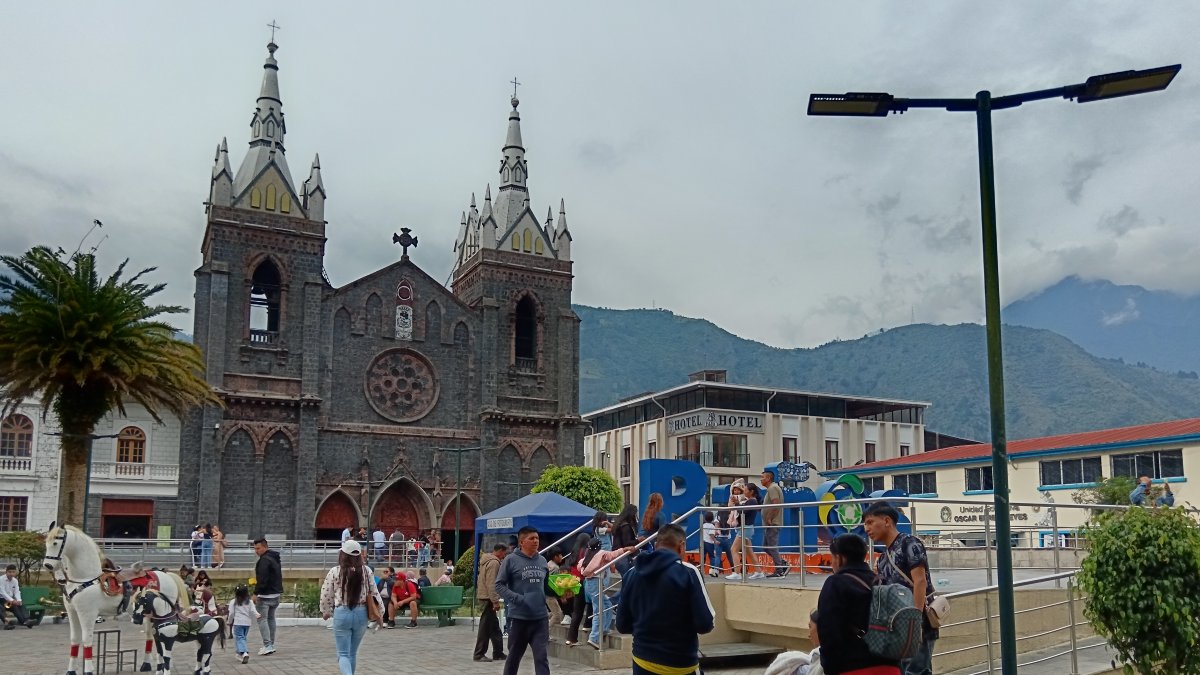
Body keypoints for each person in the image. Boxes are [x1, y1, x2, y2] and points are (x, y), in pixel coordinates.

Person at [616, 523, 715, 675]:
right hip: (681, 666)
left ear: (656, 545)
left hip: (643, 663)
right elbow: (705, 624)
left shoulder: (632, 573)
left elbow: (622, 625)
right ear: (681, 546)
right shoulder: (689, 573)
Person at [864, 502, 935, 675]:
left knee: (917, 670)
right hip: (896, 625)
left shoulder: (909, 544)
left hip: (917, 621)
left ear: (887, 521)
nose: (866, 528)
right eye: (865, 524)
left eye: (870, 522)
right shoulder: (882, 559)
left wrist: (916, 622)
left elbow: (920, 582)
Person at [817, 533, 900, 674]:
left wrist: (829, 667)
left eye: (832, 557)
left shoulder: (836, 583)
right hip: (891, 667)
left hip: (853, 667)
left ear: (840, 558)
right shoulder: (881, 581)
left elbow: (828, 631)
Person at [320, 539, 384, 675]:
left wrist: (325, 611)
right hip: (362, 613)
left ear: (342, 554)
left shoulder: (335, 571)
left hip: (342, 612)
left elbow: (326, 594)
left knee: (343, 654)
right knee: (352, 653)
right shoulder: (367, 571)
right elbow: (375, 593)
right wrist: (381, 613)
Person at [496, 526, 550, 675]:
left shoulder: (543, 561)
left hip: (540, 619)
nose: (535, 541)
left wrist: (563, 594)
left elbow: (546, 588)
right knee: (514, 657)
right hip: (519, 618)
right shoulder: (511, 560)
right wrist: (517, 598)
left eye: (537, 538)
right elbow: (499, 585)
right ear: (521, 542)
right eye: (531, 538)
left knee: (541, 658)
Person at [581, 537, 638, 649]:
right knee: (599, 610)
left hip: (589, 583)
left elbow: (580, 566)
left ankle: (604, 629)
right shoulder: (601, 553)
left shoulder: (588, 555)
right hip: (596, 582)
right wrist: (625, 549)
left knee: (607, 604)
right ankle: (594, 638)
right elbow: (612, 554)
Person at [474, 543, 508, 662]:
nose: (504, 555)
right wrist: (495, 601)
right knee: (485, 628)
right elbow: (492, 583)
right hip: (488, 598)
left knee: (494, 628)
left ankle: (498, 652)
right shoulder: (494, 563)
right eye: (504, 552)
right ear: (500, 551)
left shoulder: (486, 561)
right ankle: (479, 654)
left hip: (485, 596)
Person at [253, 537, 283, 656]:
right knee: (271, 618)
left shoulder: (264, 560)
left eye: (258, 548)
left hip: (265, 595)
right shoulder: (275, 557)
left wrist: (255, 593)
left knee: (262, 620)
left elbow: (262, 579)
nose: (256, 551)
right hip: (276, 593)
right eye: (255, 548)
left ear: (265, 547)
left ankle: (267, 645)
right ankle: (271, 643)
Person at [727, 483, 762, 580]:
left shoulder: (751, 501)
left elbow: (742, 511)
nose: (744, 492)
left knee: (734, 549)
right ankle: (759, 571)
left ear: (751, 492)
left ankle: (737, 573)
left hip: (745, 528)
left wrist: (736, 503)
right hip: (746, 528)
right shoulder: (751, 501)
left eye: (746, 490)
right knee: (749, 551)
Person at [564, 532, 592, 646]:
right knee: (590, 603)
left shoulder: (573, 552)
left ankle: (571, 638)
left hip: (574, 582)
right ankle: (587, 625)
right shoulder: (585, 552)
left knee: (577, 611)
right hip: (583, 581)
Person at [761, 468, 789, 577]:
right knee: (766, 546)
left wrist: (769, 517)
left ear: (768, 478)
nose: (761, 480)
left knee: (772, 546)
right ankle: (782, 563)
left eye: (762, 477)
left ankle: (779, 570)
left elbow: (775, 503)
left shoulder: (772, 488)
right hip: (771, 523)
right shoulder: (773, 488)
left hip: (773, 523)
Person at [228, 583, 261, 664]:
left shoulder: (233, 602)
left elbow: (231, 613)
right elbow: (253, 610)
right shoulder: (249, 602)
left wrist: (229, 621)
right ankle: (239, 652)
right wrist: (257, 614)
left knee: (239, 637)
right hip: (247, 623)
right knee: (243, 638)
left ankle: (244, 653)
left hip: (238, 622)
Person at [0, 564, 35, 628]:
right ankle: (22, 622)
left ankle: (27, 620)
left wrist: (19, 600)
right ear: (6, 572)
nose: (11, 574)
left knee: (20, 604)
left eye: (13, 572)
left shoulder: (15, 581)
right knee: (13, 605)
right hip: (2, 601)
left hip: (8, 603)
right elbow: (2, 592)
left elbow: (17, 591)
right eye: (9, 572)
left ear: (15, 572)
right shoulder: (1, 579)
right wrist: (12, 600)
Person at [611, 504, 641, 575]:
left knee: (626, 579)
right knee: (628, 578)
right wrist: (638, 540)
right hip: (624, 557)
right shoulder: (626, 526)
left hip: (618, 556)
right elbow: (627, 543)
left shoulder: (619, 524)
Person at [542, 548, 568, 629]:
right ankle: (544, 633)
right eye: (560, 555)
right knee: (557, 615)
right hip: (549, 594)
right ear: (555, 557)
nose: (562, 557)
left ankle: (541, 620)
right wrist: (561, 596)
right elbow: (555, 584)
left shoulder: (548, 563)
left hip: (544, 592)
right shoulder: (555, 568)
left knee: (554, 613)